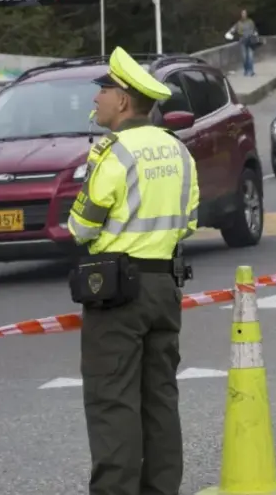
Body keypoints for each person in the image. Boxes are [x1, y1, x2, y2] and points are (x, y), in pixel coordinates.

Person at [68, 46, 200, 495]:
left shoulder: (112, 153)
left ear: (123, 100)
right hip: (165, 284)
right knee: (160, 397)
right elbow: (191, 220)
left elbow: (81, 226)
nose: (96, 100)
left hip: (117, 291)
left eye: (103, 91)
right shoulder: (177, 150)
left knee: (112, 400)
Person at [226, 9, 258, 76]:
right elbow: (233, 29)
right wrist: (229, 33)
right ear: (241, 15)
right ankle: (246, 71)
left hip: (250, 40)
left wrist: (254, 35)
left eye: (245, 13)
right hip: (242, 41)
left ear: (246, 14)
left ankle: (251, 71)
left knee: (250, 56)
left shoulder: (250, 22)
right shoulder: (239, 23)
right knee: (244, 57)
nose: (243, 15)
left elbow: (254, 30)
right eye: (242, 13)